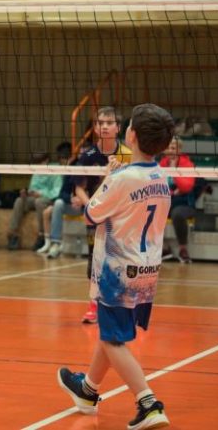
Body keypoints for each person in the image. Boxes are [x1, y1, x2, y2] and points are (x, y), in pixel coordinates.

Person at [56, 103, 175, 428]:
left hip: (118, 271)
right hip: (147, 269)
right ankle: (87, 390)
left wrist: (107, 178)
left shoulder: (121, 178)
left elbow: (90, 215)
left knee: (112, 339)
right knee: (110, 333)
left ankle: (148, 403)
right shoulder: (161, 178)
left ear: (131, 135)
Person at [43, 107, 134, 325]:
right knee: (95, 261)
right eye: (100, 123)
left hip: (121, 217)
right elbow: (79, 189)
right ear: (95, 128)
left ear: (118, 128)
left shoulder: (127, 155)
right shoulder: (88, 156)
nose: (105, 126)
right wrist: (92, 208)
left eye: (109, 123)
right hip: (96, 217)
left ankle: (124, 305)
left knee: (122, 261)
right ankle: (93, 305)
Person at [8, 151, 62, 251]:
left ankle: (42, 235)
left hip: (50, 199)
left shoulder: (55, 170)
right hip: (35, 198)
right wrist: (27, 193)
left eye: (39, 163)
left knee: (39, 202)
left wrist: (41, 194)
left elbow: (56, 191)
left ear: (46, 160)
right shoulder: (37, 170)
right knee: (19, 201)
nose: (37, 166)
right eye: (35, 163)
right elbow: (32, 188)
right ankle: (13, 233)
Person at [158, 136, 197, 262]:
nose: (170, 150)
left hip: (185, 204)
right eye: (168, 148)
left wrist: (174, 171)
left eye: (173, 148)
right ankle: (163, 248)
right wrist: (170, 191)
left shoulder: (187, 164)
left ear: (179, 150)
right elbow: (157, 184)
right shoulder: (162, 163)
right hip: (168, 200)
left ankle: (183, 249)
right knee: (150, 211)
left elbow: (187, 187)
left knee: (177, 214)